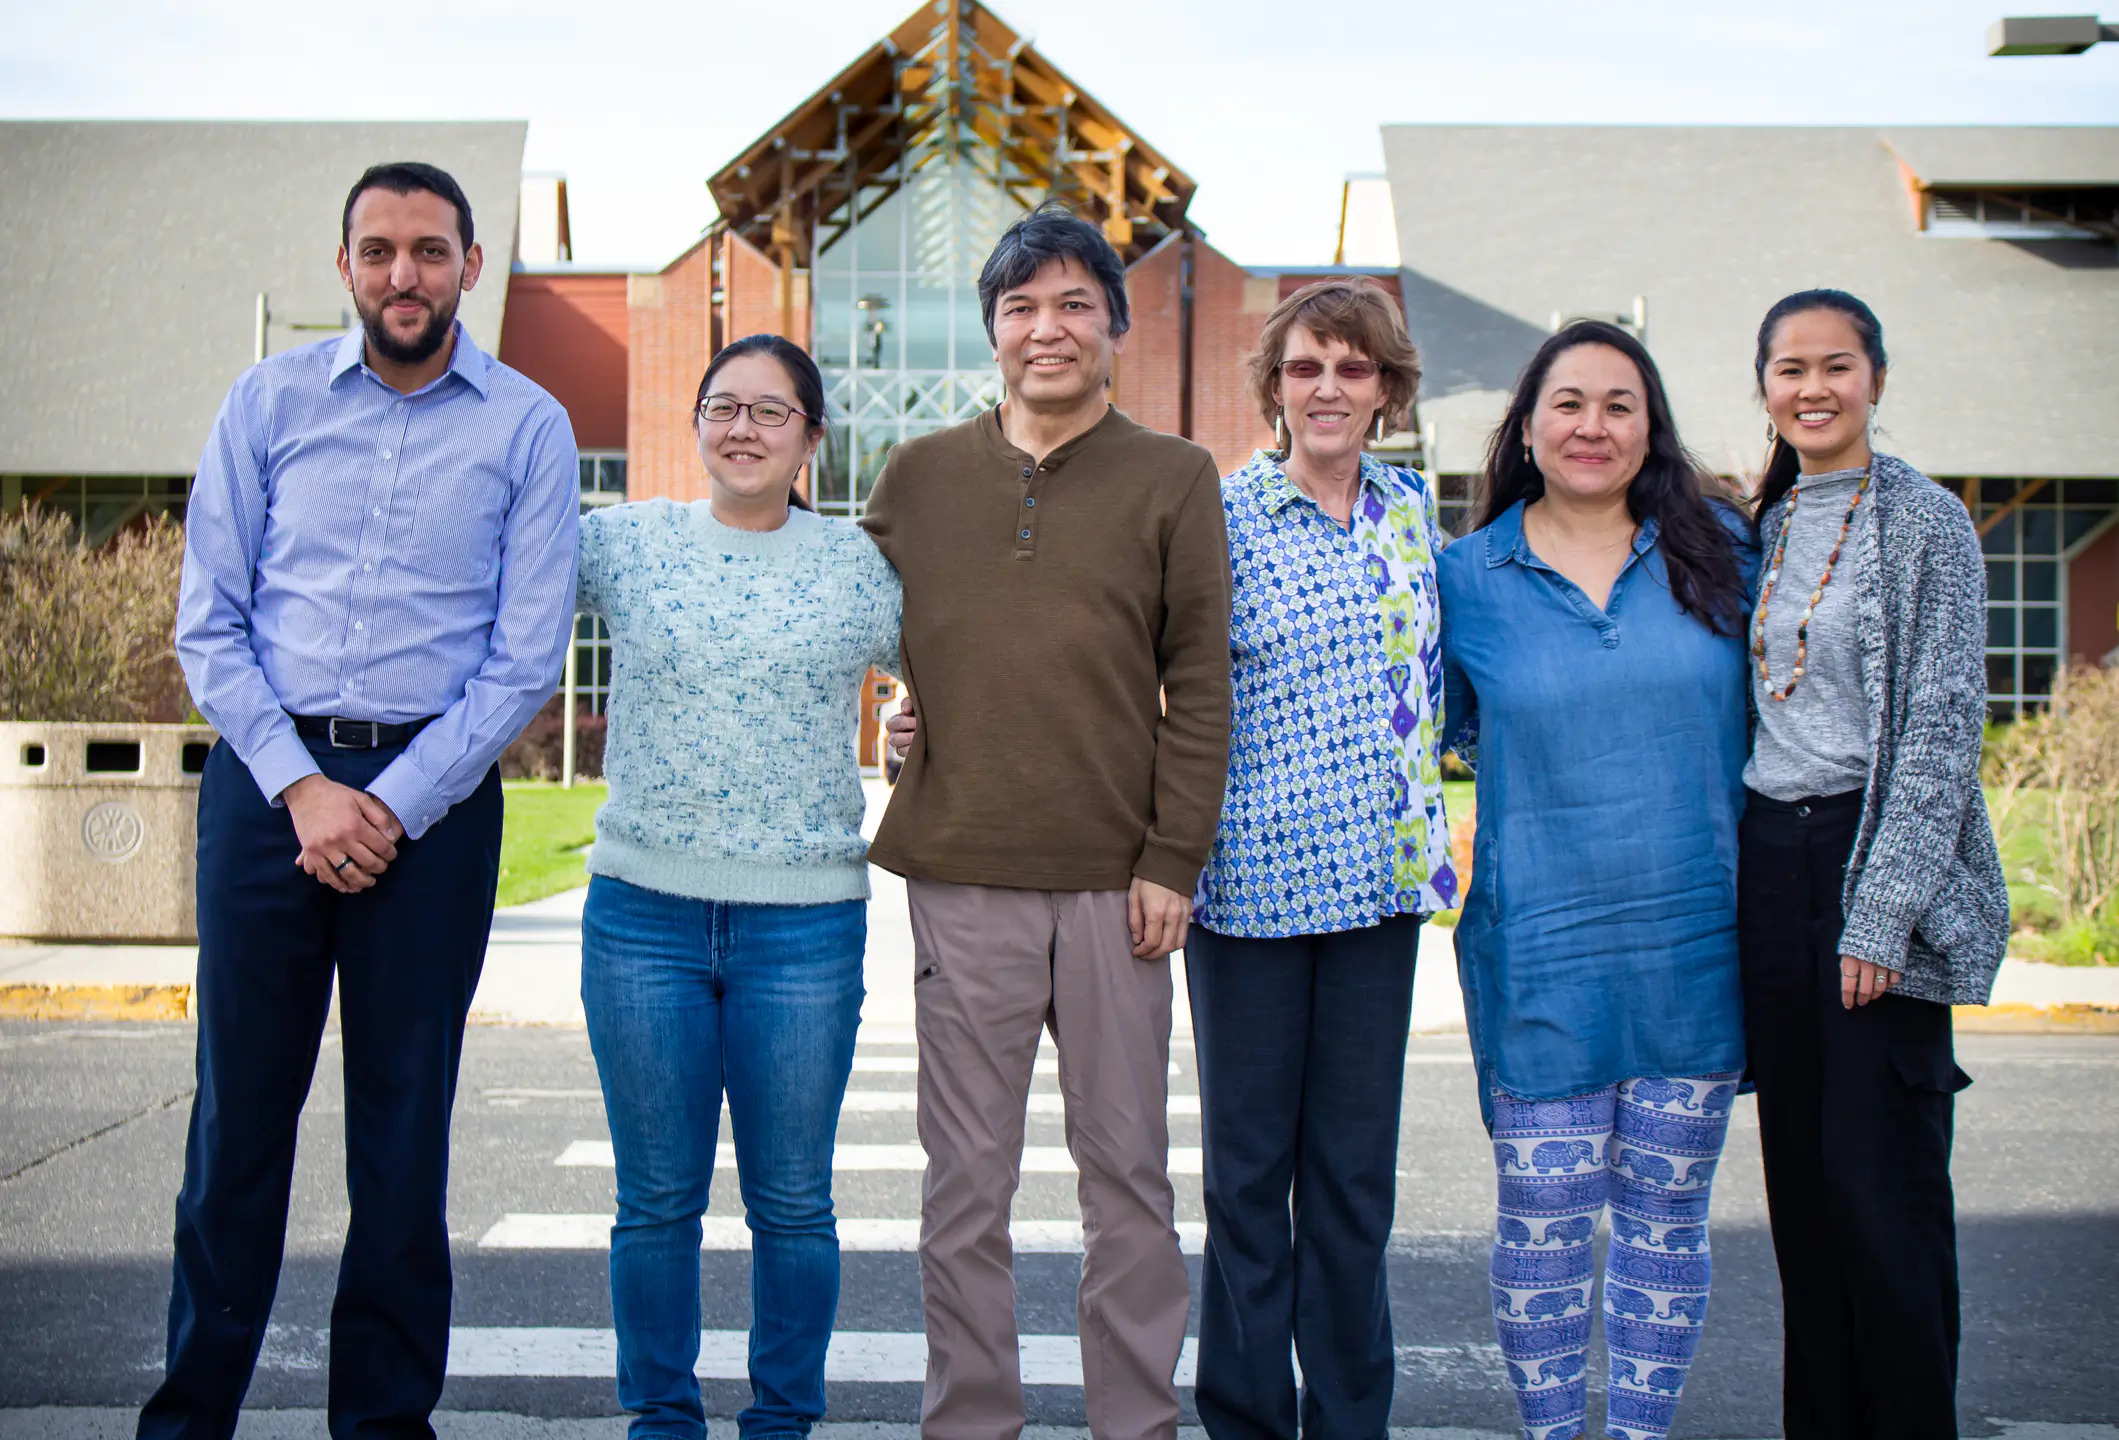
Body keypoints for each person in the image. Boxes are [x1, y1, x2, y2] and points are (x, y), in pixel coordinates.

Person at [150, 162, 579, 1437]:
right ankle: (188, 1420)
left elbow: (522, 655)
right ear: (345, 266)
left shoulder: (529, 426)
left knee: (403, 1140)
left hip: (432, 816)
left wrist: (385, 803)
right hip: (265, 794)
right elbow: (208, 626)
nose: (406, 274)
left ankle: (384, 1426)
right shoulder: (266, 403)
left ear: (469, 269)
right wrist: (302, 789)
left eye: (431, 251)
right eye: (380, 250)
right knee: (236, 1128)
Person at [861, 201, 1231, 1440]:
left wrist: (1173, 857)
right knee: (965, 1188)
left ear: (1115, 329)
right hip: (960, 876)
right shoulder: (914, 479)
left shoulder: (1173, 475)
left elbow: (1202, 681)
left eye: (1076, 304)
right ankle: (971, 1420)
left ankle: (1135, 1422)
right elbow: (838, 625)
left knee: (1126, 1181)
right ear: (992, 331)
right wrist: (890, 718)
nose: (1047, 328)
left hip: (1119, 887)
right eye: (1022, 307)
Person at [575, 334, 902, 1440]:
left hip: (803, 926)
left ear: (812, 437)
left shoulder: (861, 567)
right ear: (698, 424)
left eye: (773, 411)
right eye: (724, 405)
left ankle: (782, 1422)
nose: (744, 428)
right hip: (641, 918)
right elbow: (490, 575)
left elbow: (967, 675)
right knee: (655, 1202)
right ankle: (661, 1420)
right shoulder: (626, 543)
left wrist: (917, 723)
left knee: (793, 1205)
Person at [1437, 321, 1756, 1440]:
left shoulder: (1720, 548)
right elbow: (1426, 736)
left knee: (1669, 1219)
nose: (1592, 425)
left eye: (1618, 404)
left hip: (1696, 950)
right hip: (1540, 953)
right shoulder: (1464, 581)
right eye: (1567, 403)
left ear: (1649, 427)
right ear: (1526, 428)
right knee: (1543, 1224)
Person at [1184, 279, 1454, 1439]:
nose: (1328, 388)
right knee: (1249, 1187)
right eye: (1305, 368)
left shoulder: (1413, 514)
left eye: (1353, 368)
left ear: (1387, 388)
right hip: (1245, 895)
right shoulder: (1221, 514)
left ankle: (1350, 1419)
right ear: (1276, 389)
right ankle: (1246, 1418)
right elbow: (1141, 681)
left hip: (1380, 897)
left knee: (1352, 1186)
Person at [1738, 289, 2005, 1440]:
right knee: (1801, 1201)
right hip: (1768, 863)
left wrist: (1880, 914)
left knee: (1882, 1198)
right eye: (1789, 369)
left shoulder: (1927, 523)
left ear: (1876, 381)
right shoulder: (1762, 524)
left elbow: (1945, 729)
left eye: (1835, 366)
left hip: (1870, 864)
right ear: (1764, 390)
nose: (1812, 388)